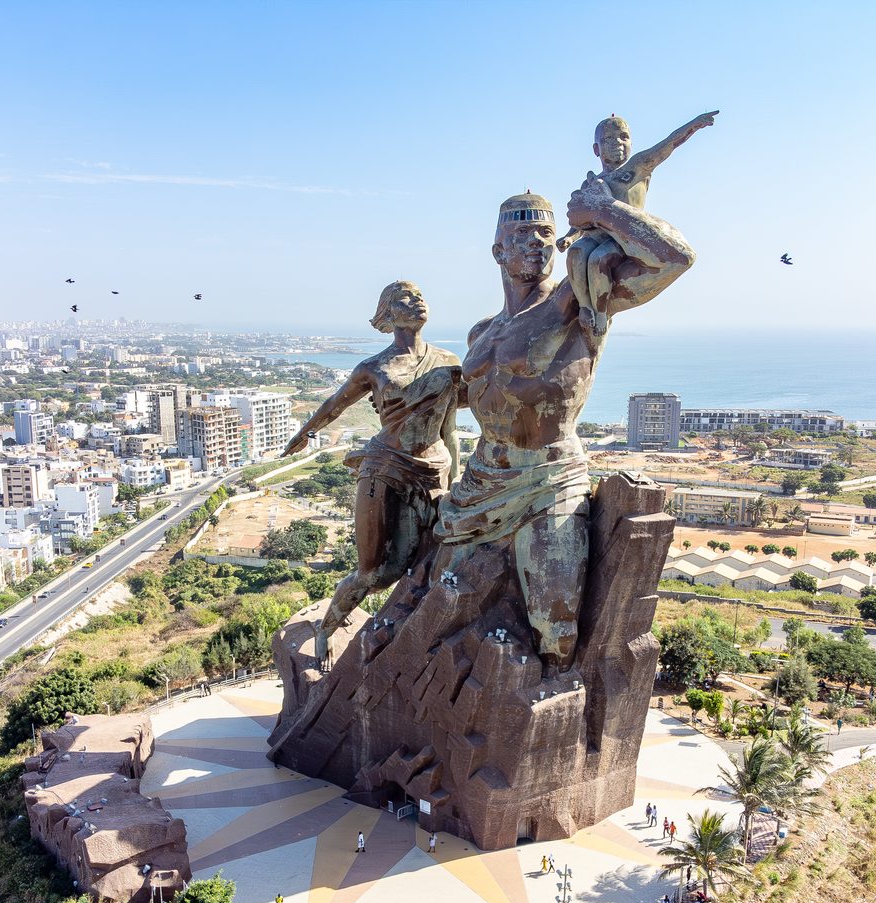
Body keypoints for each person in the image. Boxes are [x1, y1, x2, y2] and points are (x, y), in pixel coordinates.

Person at [433, 184, 694, 676]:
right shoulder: (481, 332)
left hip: (549, 479)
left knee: (555, 627)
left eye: (546, 233)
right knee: (436, 595)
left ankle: (547, 714)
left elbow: (675, 258)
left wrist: (606, 211)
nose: (537, 242)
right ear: (497, 250)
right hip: (480, 479)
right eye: (523, 233)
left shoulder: (580, 299)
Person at [282, 281, 463, 660]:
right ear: (388, 313)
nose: (417, 302)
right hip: (383, 467)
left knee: (420, 563)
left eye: (419, 296)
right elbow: (335, 404)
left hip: (434, 471)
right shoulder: (374, 367)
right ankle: (327, 625)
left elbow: (449, 430)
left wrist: (455, 479)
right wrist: (304, 433)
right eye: (405, 299)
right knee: (372, 572)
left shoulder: (448, 364)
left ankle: (415, 639)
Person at [558, 111, 717, 338]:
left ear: (631, 143)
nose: (617, 144)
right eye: (609, 140)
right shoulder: (592, 182)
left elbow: (666, 146)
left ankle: (600, 313)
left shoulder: (637, 168)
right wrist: (570, 237)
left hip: (622, 239)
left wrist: (693, 125)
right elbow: (581, 218)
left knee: (597, 260)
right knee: (576, 253)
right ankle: (585, 306)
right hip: (594, 235)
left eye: (623, 137)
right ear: (597, 149)